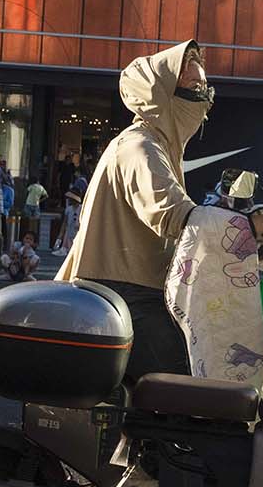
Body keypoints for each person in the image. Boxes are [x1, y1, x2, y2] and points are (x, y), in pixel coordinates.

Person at [56, 41, 218, 381]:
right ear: (161, 94)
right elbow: (171, 212)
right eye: (194, 87)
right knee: (184, 383)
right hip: (123, 291)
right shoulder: (140, 147)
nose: (204, 98)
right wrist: (239, 225)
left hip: (139, 288)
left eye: (205, 87)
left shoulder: (162, 146)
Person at [21, 168, 46, 245]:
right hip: (36, 204)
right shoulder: (41, 187)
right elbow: (46, 196)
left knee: (27, 220)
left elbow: (26, 192)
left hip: (29, 203)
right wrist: (39, 200)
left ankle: (26, 237)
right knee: (35, 221)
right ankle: (34, 239)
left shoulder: (31, 186)